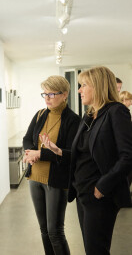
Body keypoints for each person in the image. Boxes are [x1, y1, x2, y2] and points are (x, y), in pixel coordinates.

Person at [66, 66, 132, 255]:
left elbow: (127, 156)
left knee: (97, 250)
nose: (79, 90)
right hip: (82, 193)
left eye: (83, 85)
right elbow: (82, 152)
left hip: (100, 196)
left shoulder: (116, 112)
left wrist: (102, 186)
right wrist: (58, 152)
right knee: (90, 248)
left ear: (98, 86)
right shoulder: (89, 115)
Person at [23, 75, 80, 255]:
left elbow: (71, 154)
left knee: (55, 231)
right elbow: (27, 139)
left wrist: (41, 153)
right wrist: (30, 153)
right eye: (44, 94)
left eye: (52, 94)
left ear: (64, 95)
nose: (47, 98)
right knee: (44, 230)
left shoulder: (73, 120)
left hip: (56, 181)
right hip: (35, 178)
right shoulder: (40, 114)